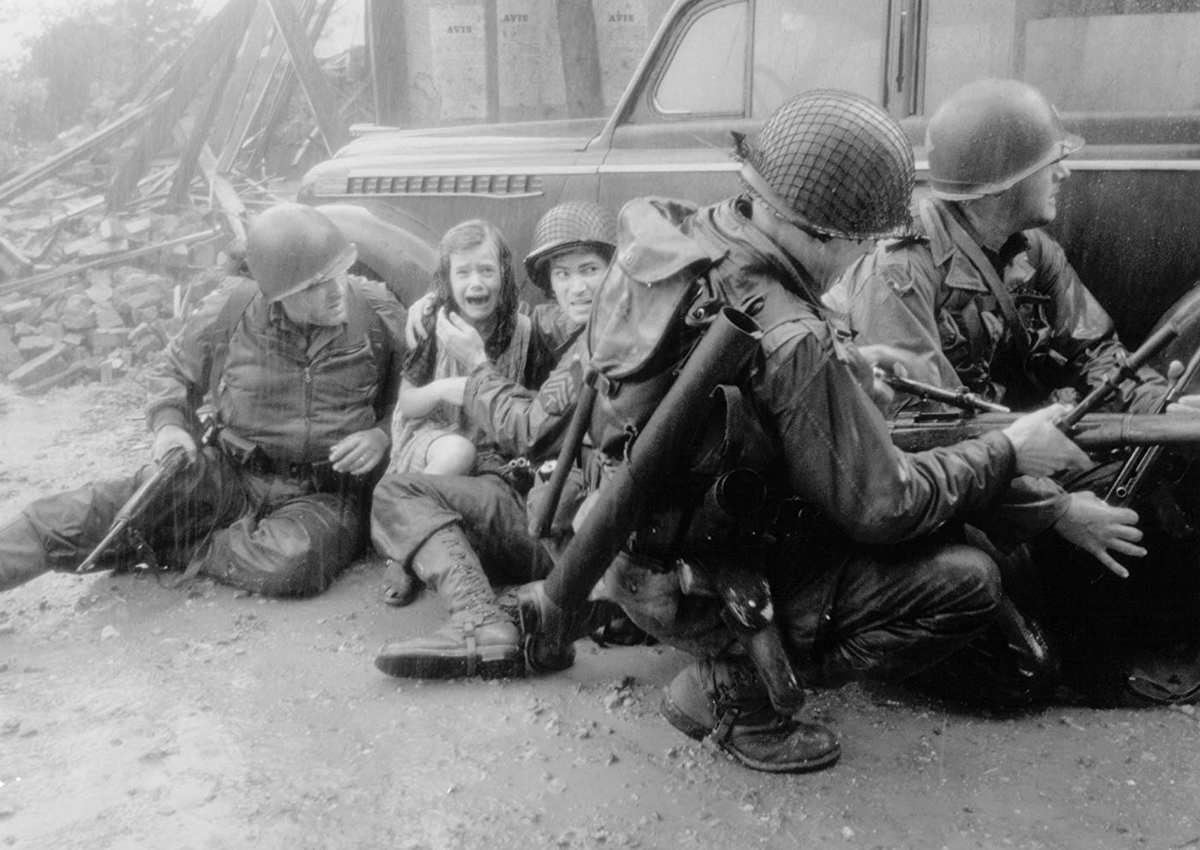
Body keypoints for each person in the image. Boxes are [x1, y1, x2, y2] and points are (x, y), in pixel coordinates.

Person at [510, 89, 1096, 773]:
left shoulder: (701, 234)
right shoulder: (791, 336)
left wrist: (847, 365)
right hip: (700, 580)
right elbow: (885, 506)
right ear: (828, 234)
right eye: (863, 240)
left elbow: (733, 389)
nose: (866, 254)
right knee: (967, 580)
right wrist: (1008, 449)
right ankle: (735, 693)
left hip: (626, 535)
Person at [826, 78, 1200, 705]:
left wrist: (1165, 414)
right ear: (1002, 184)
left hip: (992, 463)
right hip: (917, 489)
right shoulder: (900, 270)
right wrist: (1058, 510)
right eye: (1050, 162)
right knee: (1024, 675)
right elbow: (925, 436)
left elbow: (1099, 357)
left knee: (1161, 487)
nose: (1065, 174)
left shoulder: (1031, 252)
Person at [0, 203, 405, 632]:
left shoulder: (378, 314)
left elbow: (419, 396)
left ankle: (167, 545)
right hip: (232, 472)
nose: (335, 291)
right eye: (315, 286)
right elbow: (171, 372)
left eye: (339, 273)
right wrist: (170, 426)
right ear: (277, 293)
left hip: (325, 491)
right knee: (82, 515)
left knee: (296, 564)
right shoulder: (231, 310)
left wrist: (382, 435)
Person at [370, 201, 618, 678]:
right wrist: (431, 303)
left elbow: (530, 430)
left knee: (400, 495)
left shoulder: (604, 343)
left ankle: (481, 619)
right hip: (553, 508)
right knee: (418, 492)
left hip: (577, 528)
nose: (577, 287)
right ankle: (485, 610)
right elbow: (524, 317)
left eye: (590, 269)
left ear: (615, 271)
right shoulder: (570, 323)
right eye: (562, 274)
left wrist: (478, 368)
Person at [387, 219, 552, 477]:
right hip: (436, 439)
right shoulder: (433, 323)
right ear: (448, 280)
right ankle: (413, 498)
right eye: (463, 272)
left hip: (496, 450)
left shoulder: (524, 331)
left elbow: (534, 404)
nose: (476, 282)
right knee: (459, 453)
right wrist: (442, 389)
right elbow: (407, 404)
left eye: (487, 270)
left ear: (504, 274)